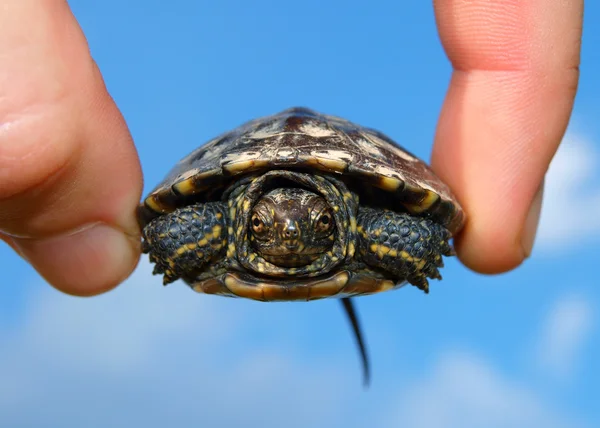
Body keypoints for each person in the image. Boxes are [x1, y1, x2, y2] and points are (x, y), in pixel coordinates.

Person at [0, 0, 583, 296]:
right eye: (267, 223)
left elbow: (426, 223)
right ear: (244, 218)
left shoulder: (362, 223)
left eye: (311, 222)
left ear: (337, 218)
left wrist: (410, 240)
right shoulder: (223, 219)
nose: (286, 229)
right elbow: (169, 225)